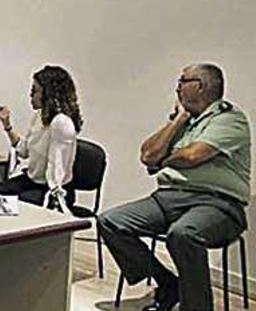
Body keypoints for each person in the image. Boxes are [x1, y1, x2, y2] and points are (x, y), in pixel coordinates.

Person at [98, 63, 250, 311]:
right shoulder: (185, 122)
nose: (177, 87)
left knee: (183, 234)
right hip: (168, 198)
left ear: (199, 86)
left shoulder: (230, 119)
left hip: (218, 205)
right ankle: (168, 284)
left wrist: (165, 161)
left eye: (182, 81)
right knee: (110, 221)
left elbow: (193, 156)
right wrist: (178, 119)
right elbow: (148, 155)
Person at [0, 65, 82, 208]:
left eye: (35, 91)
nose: (30, 95)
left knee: (18, 203)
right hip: (34, 180)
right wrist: (7, 125)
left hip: (52, 187)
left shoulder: (61, 123)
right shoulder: (39, 116)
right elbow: (23, 151)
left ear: (49, 94)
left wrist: (54, 199)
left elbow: (57, 168)